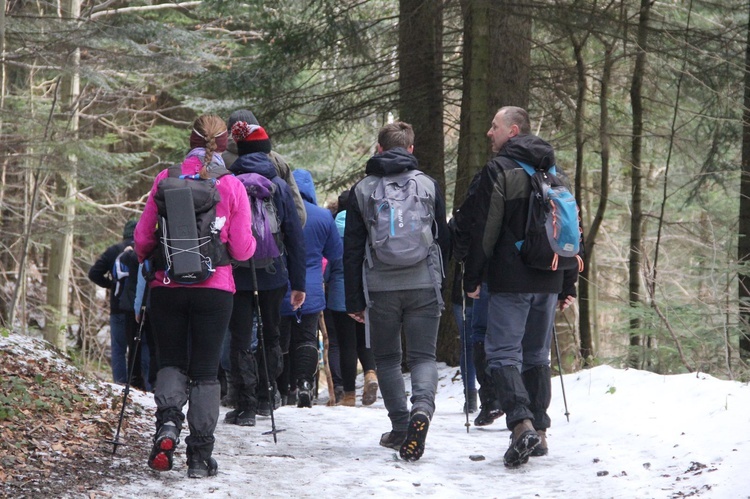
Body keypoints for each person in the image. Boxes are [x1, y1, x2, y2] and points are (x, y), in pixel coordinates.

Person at [135, 114, 255, 478]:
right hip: (215, 289)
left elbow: (142, 239)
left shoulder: (165, 178)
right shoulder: (231, 185)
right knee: (205, 372)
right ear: (223, 144)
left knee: (170, 361)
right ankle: (200, 456)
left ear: (190, 140)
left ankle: (168, 425)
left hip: (167, 287)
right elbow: (244, 248)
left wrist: (152, 262)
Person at [463, 106, 580, 467]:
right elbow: (572, 232)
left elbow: (485, 232)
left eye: (494, 126)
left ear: (513, 131)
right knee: (535, 355)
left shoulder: (499, 172)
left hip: (510, 278)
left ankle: (521, 424)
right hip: (548, 276)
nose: (489, 132)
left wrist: (472, 278)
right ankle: (541, 431)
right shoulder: (555, 174)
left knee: (501, 353)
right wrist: (567, 283)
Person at [344, 121, 449, 462]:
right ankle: (422, 408)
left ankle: (401, 428)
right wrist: (442, 283)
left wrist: (354, 300)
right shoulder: (429, 185)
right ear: (411, 150)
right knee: (423, 357)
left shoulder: (362, 189)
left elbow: (352, 250)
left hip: (380, 287)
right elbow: (443, 239)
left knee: (388, 359)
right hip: (423, 283)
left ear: (379, 149)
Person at [224, 120, 306, 425]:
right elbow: (295, 235)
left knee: (241, 338)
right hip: (273, 274)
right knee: (271, 335)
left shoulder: (229, 182)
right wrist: (298, 282)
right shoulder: (280, 185)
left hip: (238, 274)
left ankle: (244, 406)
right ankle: (266, 397)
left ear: (240, 150)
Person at [279, 169, 343, 408]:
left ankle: (284, 388)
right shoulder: (323, 216)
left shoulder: (282, 212)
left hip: (281, 286)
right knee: (306, 337)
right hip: (311, 287)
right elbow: (335, 253)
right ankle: (305, 382)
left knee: (280, 338)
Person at [325, 194, 379, 407]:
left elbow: (327, 265)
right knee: (363, 338)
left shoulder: (333, 230)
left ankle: (348, 395)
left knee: (346, 344)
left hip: (340, 293)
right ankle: (370, 373)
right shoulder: (367, 227)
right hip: (365, 290)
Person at [88, 219, 141, 386]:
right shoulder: (145, 251)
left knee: (118, 349)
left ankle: (119, 384)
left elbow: (94, 273)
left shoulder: (113, 251)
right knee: (139, 348)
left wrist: (111, 284)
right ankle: (139, 384)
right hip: (139, 309)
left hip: (118, 307)